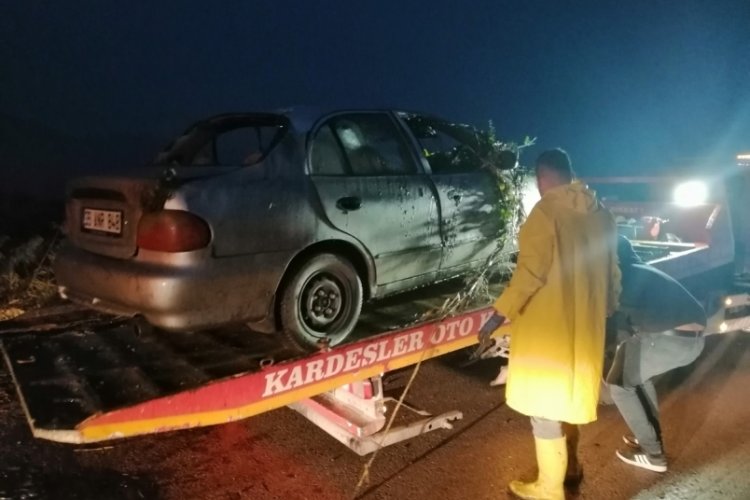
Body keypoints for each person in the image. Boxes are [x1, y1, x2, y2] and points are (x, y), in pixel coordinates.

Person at [479, 148, 620, 500]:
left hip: (548, 329)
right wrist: (608, 307)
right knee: (566, 400)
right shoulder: (600, 214)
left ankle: (549, 488)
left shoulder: (545, 213)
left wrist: (498, 313)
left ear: (542, 177)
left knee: (544, 409)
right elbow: (613, 271)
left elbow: (530, 273)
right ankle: (569, 469)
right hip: (584, 325)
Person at [606, 235, 707, 472]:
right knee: (637, 378)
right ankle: (649, 438)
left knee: (619, 386)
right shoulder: (642, 270)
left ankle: (654, 455)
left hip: (669, 339)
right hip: (692, 340)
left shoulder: (623, 278)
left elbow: (620, 326)